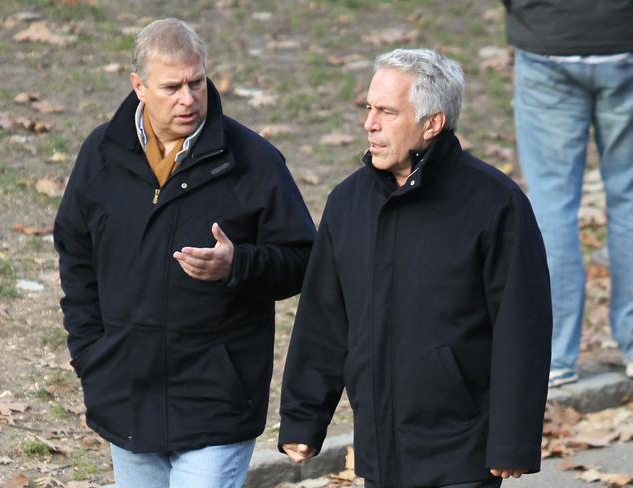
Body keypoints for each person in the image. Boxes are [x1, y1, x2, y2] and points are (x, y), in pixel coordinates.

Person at [54, 18, 315, 488]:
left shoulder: (254, 162)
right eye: (172, 87)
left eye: (197, 82)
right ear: (139, 87)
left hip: (218, 403)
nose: (189, 99)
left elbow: (302, 260)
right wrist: (91, 353)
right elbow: (75, 253)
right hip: (128, 398)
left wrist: (238, 265)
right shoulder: (101, 154)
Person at [278, 48, 552, 488]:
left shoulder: (495, 204)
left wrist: (512, 439)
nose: (370, 123)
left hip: (464, 448)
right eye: (369, 109)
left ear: (432, 123)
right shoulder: (347, 203)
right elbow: (323, 319)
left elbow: (522, 328)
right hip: (380, 447)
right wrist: (302, 418)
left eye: (386, 111)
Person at [502, 1, 633, 387]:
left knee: (550, 202)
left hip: (548, 35)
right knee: (629, 196)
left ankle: (555, 354)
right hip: (624, 35)